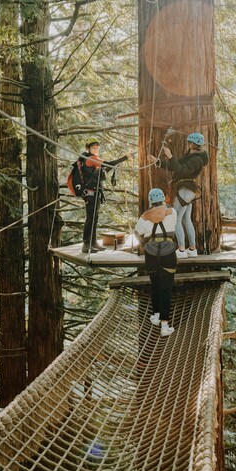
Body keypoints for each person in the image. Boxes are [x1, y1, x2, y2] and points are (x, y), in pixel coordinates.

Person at [148, 132, 208, 258]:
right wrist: (157, 161)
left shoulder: (197, 159)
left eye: (190, 143)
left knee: (176, 219)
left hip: (186, 190)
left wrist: (170, 156)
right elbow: (174, 166)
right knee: (186, 219)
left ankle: (181, 250)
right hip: (187, 191)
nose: (188, 144)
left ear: (193, 144)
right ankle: (192, 249)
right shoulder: (192, 156)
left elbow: (181, 170)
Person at [72, 136, 131, 253]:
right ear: (88, 148)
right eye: (93, 147)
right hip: (90, 193)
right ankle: (86, 244)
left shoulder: (89, 159)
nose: (95, 149)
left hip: (94, 192)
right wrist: (125, 157)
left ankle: (93, 242)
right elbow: (109, 164)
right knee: (90, 219)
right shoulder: (90, 158)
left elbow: (103, 170)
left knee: (94, 218)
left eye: (96, 147)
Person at [134, 188, 177, 337]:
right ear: (163, 199)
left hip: (151, 253)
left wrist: (145, 244)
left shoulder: (144, 217)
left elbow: (137, 233)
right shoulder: (172, 212)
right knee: (166, 289)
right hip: (168, 253)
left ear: (150, 200)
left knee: (155, 284)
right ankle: (165, 326)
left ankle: (157, 315)